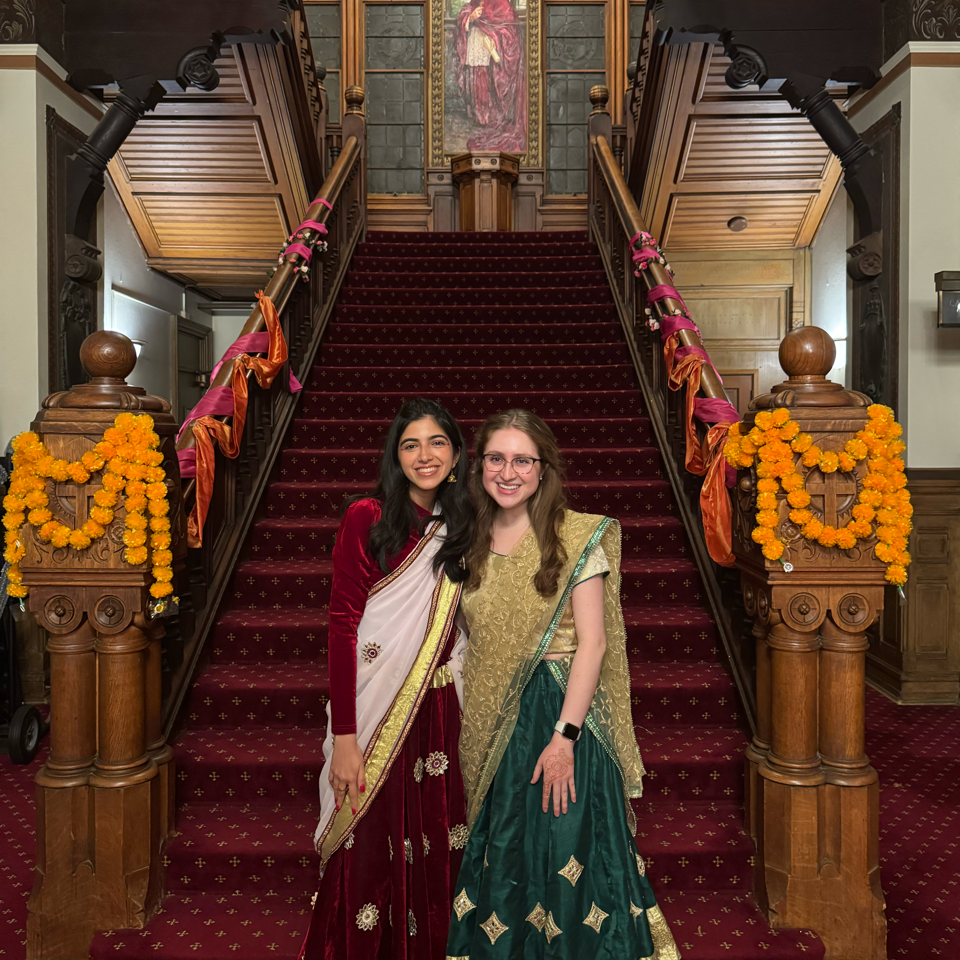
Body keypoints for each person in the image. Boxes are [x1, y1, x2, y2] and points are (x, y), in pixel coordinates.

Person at [446, 409, 680, 960]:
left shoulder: (577, 537)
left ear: (543, 468)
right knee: (505, 845)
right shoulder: (468, 538)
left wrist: (564, 738)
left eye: (522, 460)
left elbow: (593, 645)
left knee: (567, 846)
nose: (508, 472)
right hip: (494, 712)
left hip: (560, 712)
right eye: (496, 459)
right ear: (478, 467)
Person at [300, 398, 473, 960]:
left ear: (455, 453)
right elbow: (343, 625)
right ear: (395, 457)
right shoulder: (367, 517)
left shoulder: (468, 522)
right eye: (410, 445)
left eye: (437, 443)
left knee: (444, 833)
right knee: (371, 839)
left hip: (445, 707)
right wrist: (345, 739)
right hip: (377, 708)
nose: (425, 456)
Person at [455, 0, 527, 152]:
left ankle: (488, 117)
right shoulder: (474, 3)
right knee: (476, 81)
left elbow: (509, 31)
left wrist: (495, 44)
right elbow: (463, 16)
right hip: (476, 47)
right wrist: (471, 17)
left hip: (491, 55)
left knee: (486, 84)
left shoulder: (502, 5)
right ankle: (479, 116)